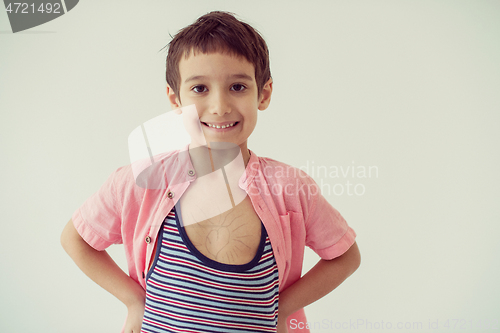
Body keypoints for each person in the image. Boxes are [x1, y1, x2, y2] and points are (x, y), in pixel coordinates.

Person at [60, 11, 360, 333]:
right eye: (200, 89)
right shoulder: (140, 181)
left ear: (264, 93)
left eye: (237, 86)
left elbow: (345, 257)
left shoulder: (291, 188)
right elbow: (75, 239)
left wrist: (282, 307)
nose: (219, 106)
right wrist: (134, 300)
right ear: (175, 99)